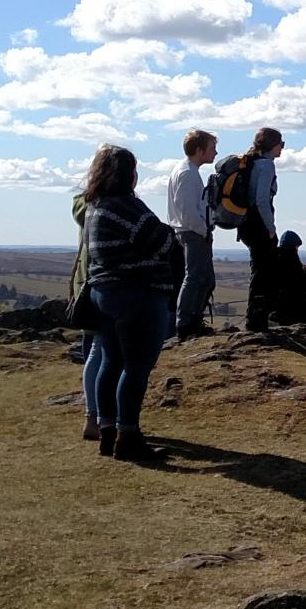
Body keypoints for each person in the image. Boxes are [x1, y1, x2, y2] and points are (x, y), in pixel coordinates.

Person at [82, 145, 178, 463]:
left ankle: (108, 432)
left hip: (104, 294)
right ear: (129, 173)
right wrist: (168, 234)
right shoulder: (127, 207)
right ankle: (129, 436)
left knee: (111, 363)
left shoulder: (96, 205)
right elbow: (162, 242)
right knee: (136, 368)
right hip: (138, 295)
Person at [167, 128, 218, 341]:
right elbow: (187, 210)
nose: (215, 153)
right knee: (196, 277)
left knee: (204, 278)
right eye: (212, 148)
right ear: (199, 150)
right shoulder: (188, 173)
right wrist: (203, 229)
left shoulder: (187, 170)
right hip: (192, 231)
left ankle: (192, 321)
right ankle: (187, 324)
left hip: (191, 230)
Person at [238, 127, 285, 331]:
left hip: (246, 223)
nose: (282, 148)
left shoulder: (252, 163)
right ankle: (256, 319)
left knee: (259, 270)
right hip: (259, 224)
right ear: (272, 144)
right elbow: (262, 200)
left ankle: (256, 317)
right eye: (280, 144)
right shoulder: (266, 166)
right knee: (263, 272)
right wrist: (271, 228)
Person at [68, 188, 103, 443]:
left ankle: (95, 414)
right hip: (100, 286)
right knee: (99, 351)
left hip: (85, 285)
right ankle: (97, 416)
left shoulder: (85, 205)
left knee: (92, 348)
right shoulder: (101, 207)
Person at [272, 231, 306, 324]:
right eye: (297, 246)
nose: (297, 249)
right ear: (292, 245)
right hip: (297, 308)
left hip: (281, 307)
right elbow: (302, 283)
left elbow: (291, 278)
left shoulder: (277, 257)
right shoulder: (291, 257)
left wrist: (303, 269)